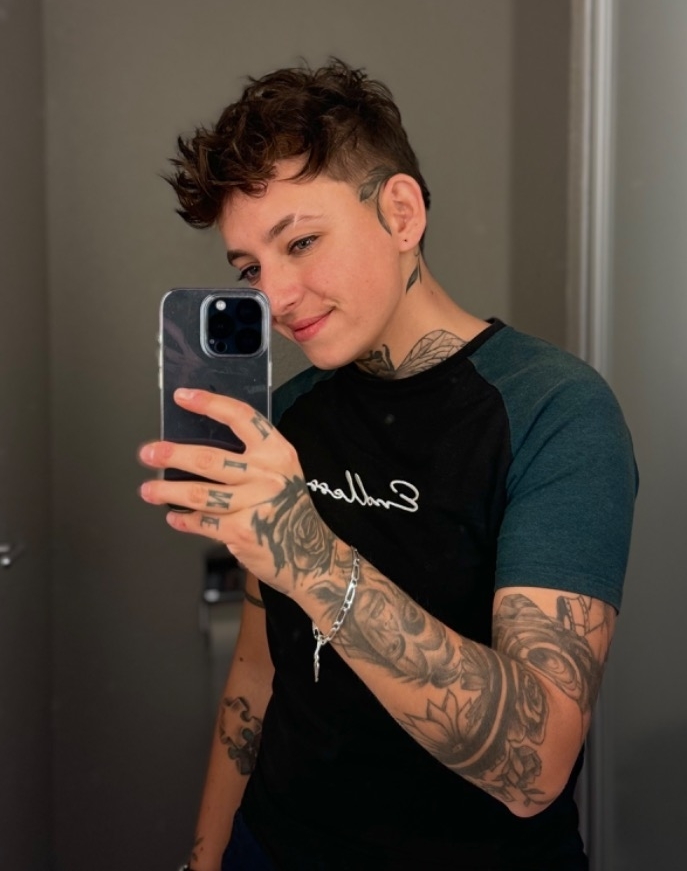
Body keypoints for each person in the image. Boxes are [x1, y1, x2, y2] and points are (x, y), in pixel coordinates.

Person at [139, 59, 637, 871]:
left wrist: (308, 556)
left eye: (301, 242)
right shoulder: (284, 419)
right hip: (273, 845)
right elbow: (258, 670)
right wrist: (205, 859)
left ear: (400, 212)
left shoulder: (553, 410)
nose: (275, 295)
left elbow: (534, 764)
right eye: (250, 268)